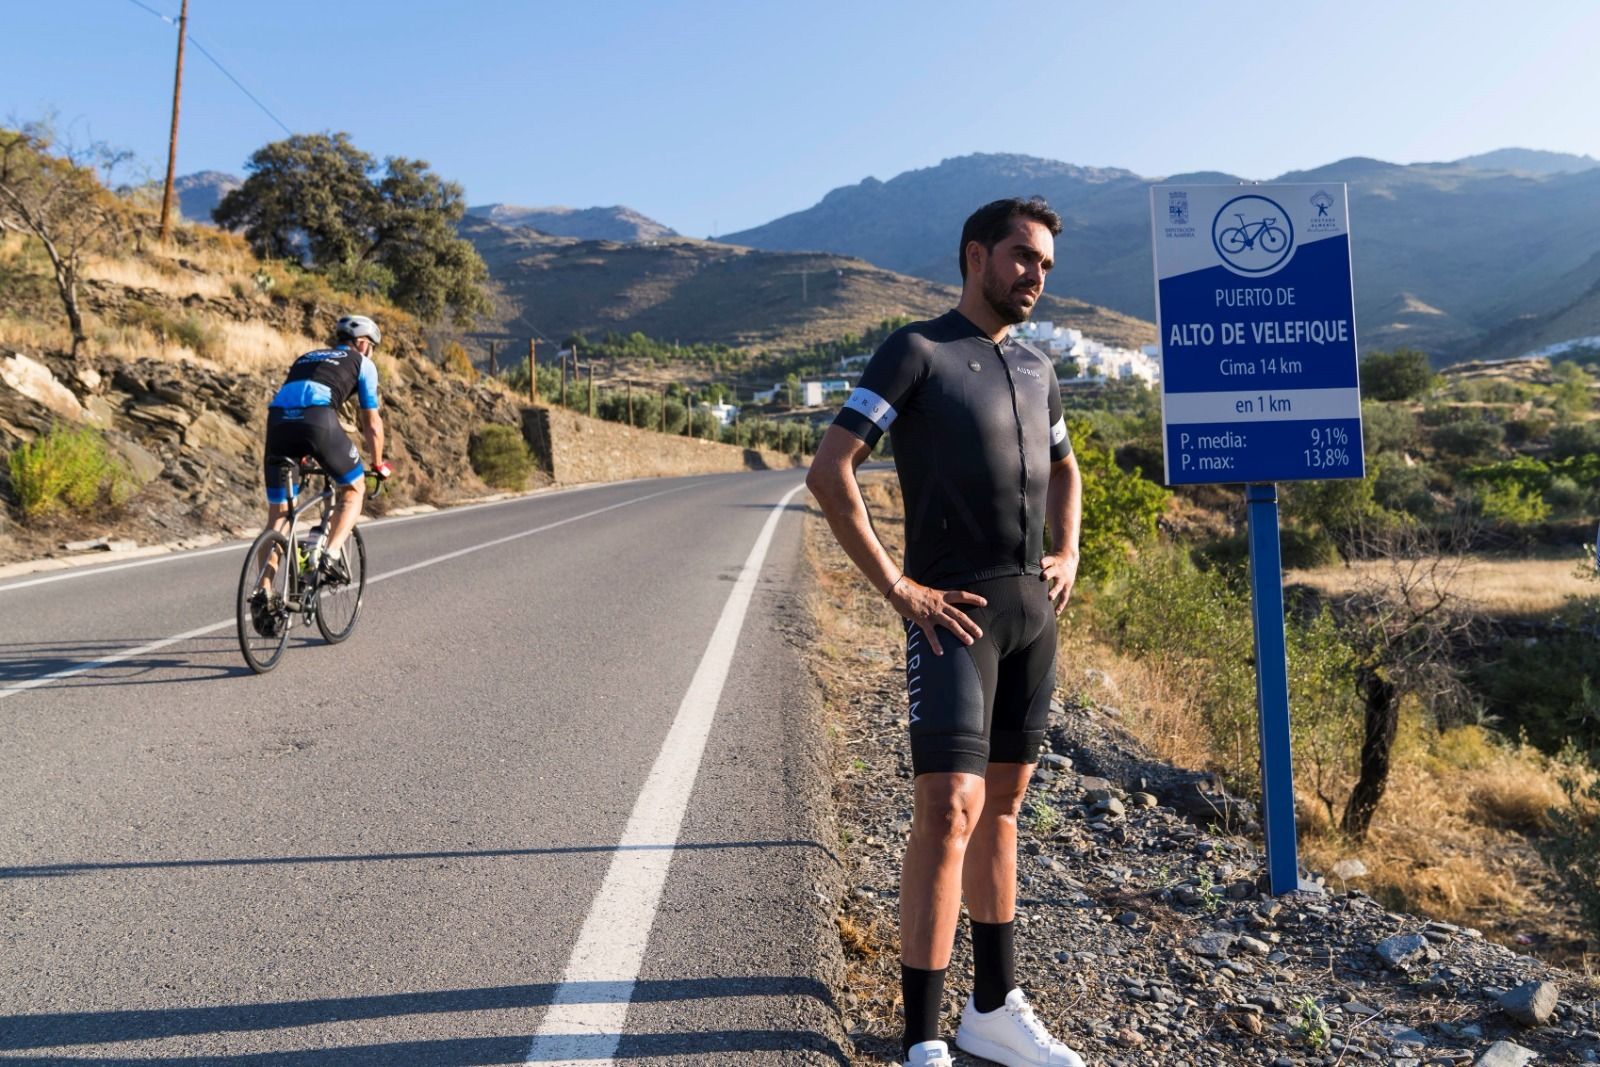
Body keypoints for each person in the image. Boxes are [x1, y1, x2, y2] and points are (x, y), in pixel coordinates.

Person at [806, 198, 1085, 1067]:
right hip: (951, 616)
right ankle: (922, 1039)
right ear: (976, 256)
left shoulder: (1039, 368)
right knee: (948, 809)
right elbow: (830, 467)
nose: (1033, 274)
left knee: (1001, 811)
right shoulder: (916, 352)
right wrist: (897, 586)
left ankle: (994, 1009)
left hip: (1032, 619)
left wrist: (1069, 549)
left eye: (1043, 263)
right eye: (1019, 257)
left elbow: (1067, 467)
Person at [249, 315, 391, 625]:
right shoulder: (362, 362)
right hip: (317, 420)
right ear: (364, 344)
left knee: (280, 516)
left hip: (278, 424)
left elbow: (295, 400)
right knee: (354, 490)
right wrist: (378, 464)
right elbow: (372, 423)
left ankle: (264, 591)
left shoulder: (307, 356)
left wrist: (302, 451)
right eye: (373, 348)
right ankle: (328, 555)